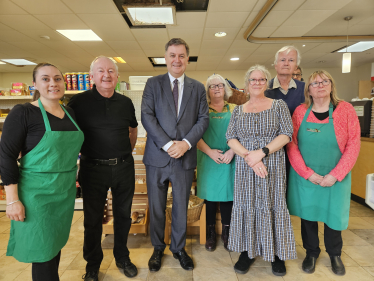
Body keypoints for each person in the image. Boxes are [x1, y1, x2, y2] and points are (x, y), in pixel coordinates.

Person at [0, 63, 84, 281]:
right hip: (36, 194)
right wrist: (12, 201)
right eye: (45, 79)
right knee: (42, 251)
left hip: (63, 192)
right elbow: (6, 156)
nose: (53, 84)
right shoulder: (23, 113)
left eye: (57, 78)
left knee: (54, 245)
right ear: (35, 84)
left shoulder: (70, 112)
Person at [141, 38, 209, 272]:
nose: (176, 60)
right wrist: (170, 144)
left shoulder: (198, 87)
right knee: (157, 206)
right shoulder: (153, 84)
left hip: (185, 158)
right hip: (157, 157)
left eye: (181, 55)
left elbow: (203, 119)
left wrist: (187, 144)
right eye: (172, 55)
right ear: (166, 58)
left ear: (187, 59)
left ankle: (179, 249)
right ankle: (158, 248)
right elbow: (147, 117)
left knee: (181, 206)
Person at [68, 56, 138, 281]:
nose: (106, 75)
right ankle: (92, 264)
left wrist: (125, 153)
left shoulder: (125, 103)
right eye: (101, 71)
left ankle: (122, 257)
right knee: (92, 219)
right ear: (92, 77)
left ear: (117, 77)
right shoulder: (77, 103)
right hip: (92, 169)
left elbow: (133, 130)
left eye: (111, 71)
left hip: (124, 167)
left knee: (123, 216)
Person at [287, 70, 360, 276]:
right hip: (307, 176)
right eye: (314, 83)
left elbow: (354, 144)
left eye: (324, 81)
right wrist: (307, 173)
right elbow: (292, 144)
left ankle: (334, 254)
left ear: (331, 85)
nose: (320, 85)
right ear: (308, 89)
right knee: (308, 216)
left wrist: (336, 175)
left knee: (333, 215)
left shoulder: (345, 110)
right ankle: (311, 252)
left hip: (336, 176)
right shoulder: (301, 112)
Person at [226, 65, 296, 277]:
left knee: (272, 203)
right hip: (247, 168)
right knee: (247, 205)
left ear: (267, 83)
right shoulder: (238, 109)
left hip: (272, 164)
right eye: (253, 80)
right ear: (247, 84)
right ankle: (247, 252)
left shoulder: (278, 105)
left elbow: (286, 134)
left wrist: (262, 152)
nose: (257, 83)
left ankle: (276, 254)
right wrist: (250, 157)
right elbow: (230, 139)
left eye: (261, 79)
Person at [196, 74, 235, 252]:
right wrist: (210, 152)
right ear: (208, 91)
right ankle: (210, 232)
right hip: (207, 157)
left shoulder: (235, 109)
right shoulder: (201, 110)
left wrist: (232, 151)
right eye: (212, 86)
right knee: (210, 198)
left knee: (228, 196)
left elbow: (243, 135)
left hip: (230, 158)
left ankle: (227, 232)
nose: (217, 88)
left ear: (225, 89)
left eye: (220, 85)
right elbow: (194, 136)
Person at [265, 46, 305, 116]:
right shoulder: (264, 88)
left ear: (296, 66)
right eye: (282, 60)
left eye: (291, 60)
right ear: (276, 65)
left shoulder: (305, 88)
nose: (286, 64)